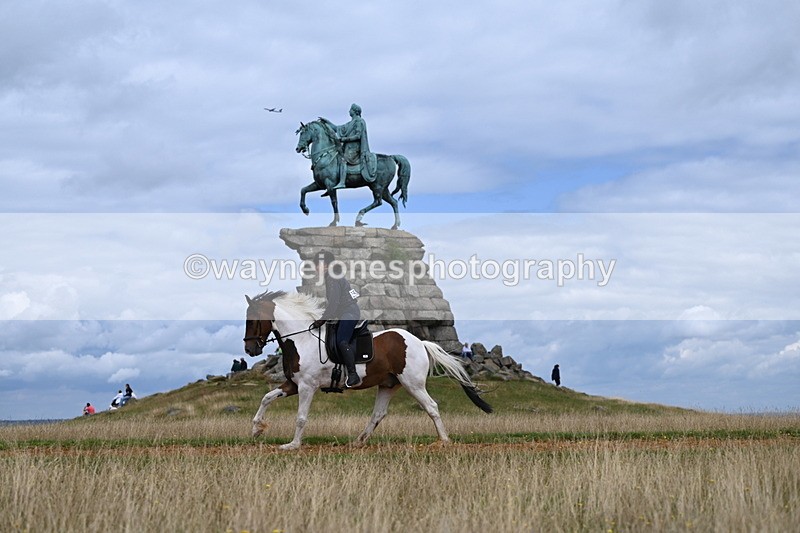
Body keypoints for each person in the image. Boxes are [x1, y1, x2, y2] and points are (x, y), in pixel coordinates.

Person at [310, 250, 362, 388]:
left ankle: (353, 375)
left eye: (317, 264)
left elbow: (334, 304)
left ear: (326, 265)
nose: (315, 267)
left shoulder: (332, 278)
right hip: (345, 312)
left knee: (341, 341)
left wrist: (321, 320)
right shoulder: (334, 275)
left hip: (349, 313)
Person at [323, 103, 376, 195]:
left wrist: (344, 139)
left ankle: (342, 182)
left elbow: (358, 136)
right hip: (348, 147)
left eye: (350, 109)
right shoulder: (350, 123)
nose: (349, 111)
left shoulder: (359, 121)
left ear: (355, 111)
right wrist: (327, 122)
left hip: (355, 148)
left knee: (343, 160)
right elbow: (337, 128)